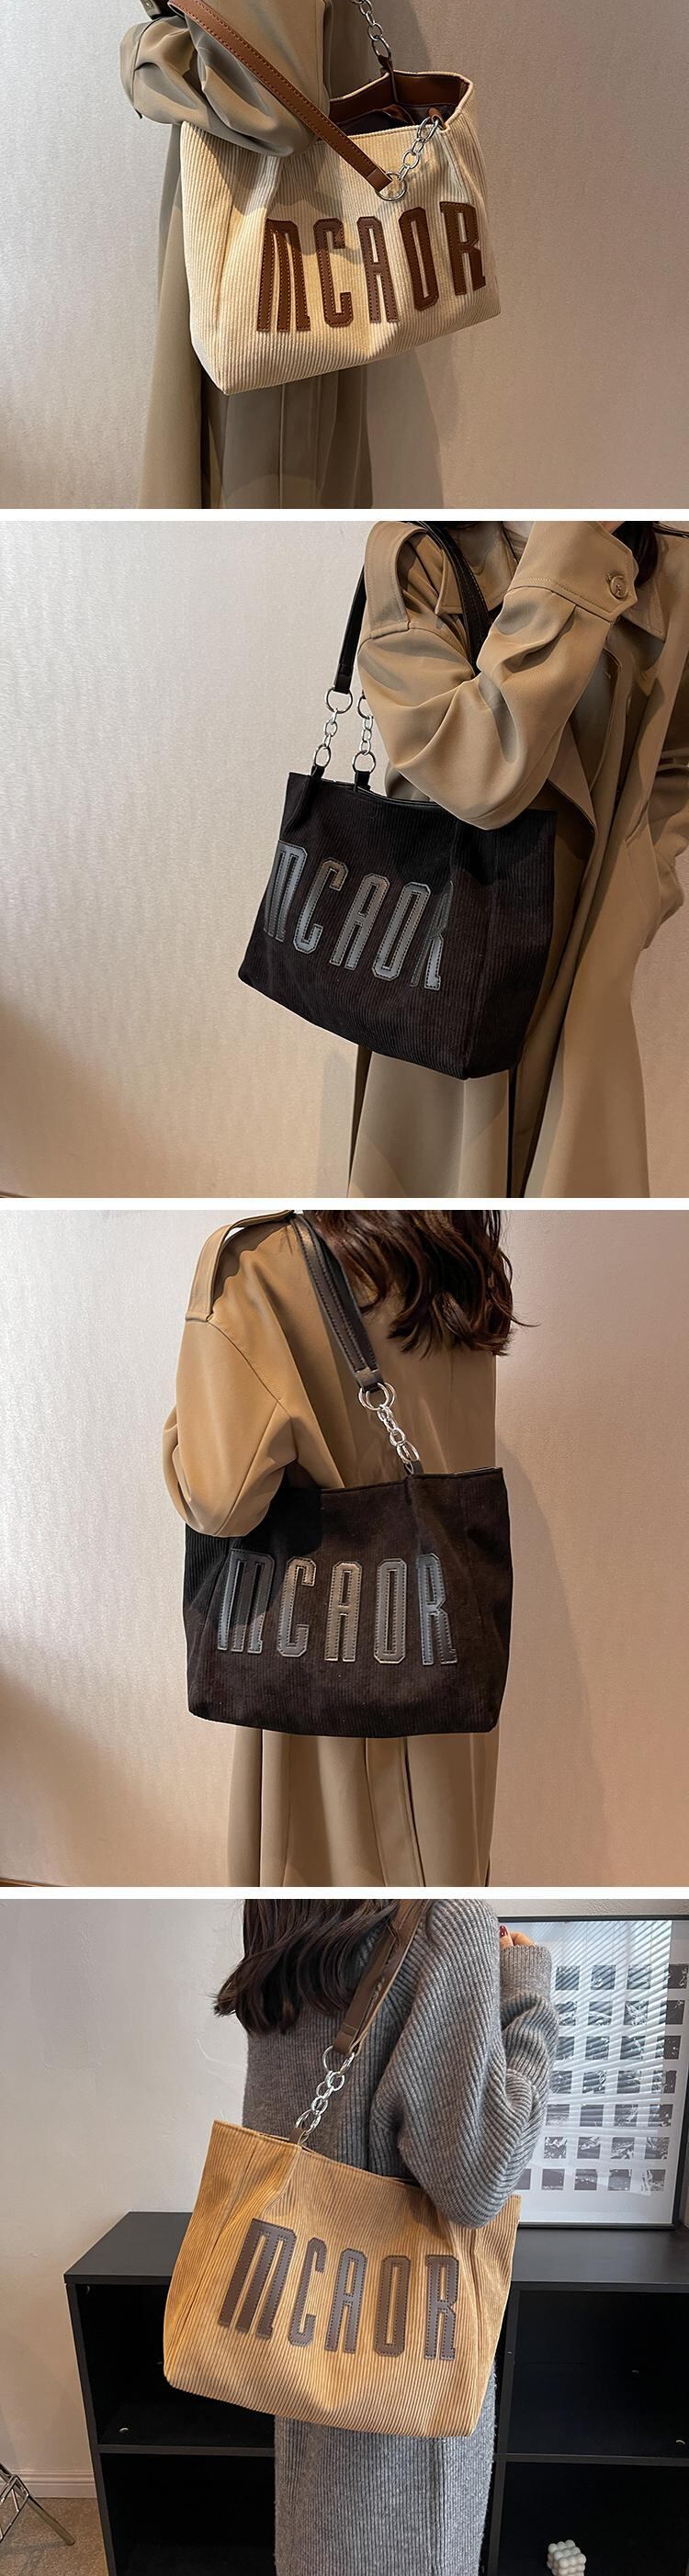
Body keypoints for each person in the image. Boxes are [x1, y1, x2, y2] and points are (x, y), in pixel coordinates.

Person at [164, 1208, 514, 1888]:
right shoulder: (456, 1252)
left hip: (335, 1701)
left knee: (337, 1913)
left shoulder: (261, 1264)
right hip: (444, 1658)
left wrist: (186, 1426)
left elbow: (221, 1500)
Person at [216, 1895, 558, 2576]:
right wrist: (525, 1997)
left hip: (305, 2331)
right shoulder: (443, 1922)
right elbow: (479, 2182)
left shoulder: (283, 1920)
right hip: (403, 2387)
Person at [347, 517, 689, 1197]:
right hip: (446, 952)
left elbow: (677, 760)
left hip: (586, 949)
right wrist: (570, 546)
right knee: (436, 1183)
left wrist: (636, 897)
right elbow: (481, 772)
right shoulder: (418, 557)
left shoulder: (672, 568)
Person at [117, 0, 405, 508]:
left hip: (250, 231)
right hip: (323, 230)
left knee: (250, 476)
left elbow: (272, 105)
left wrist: (141, 55)